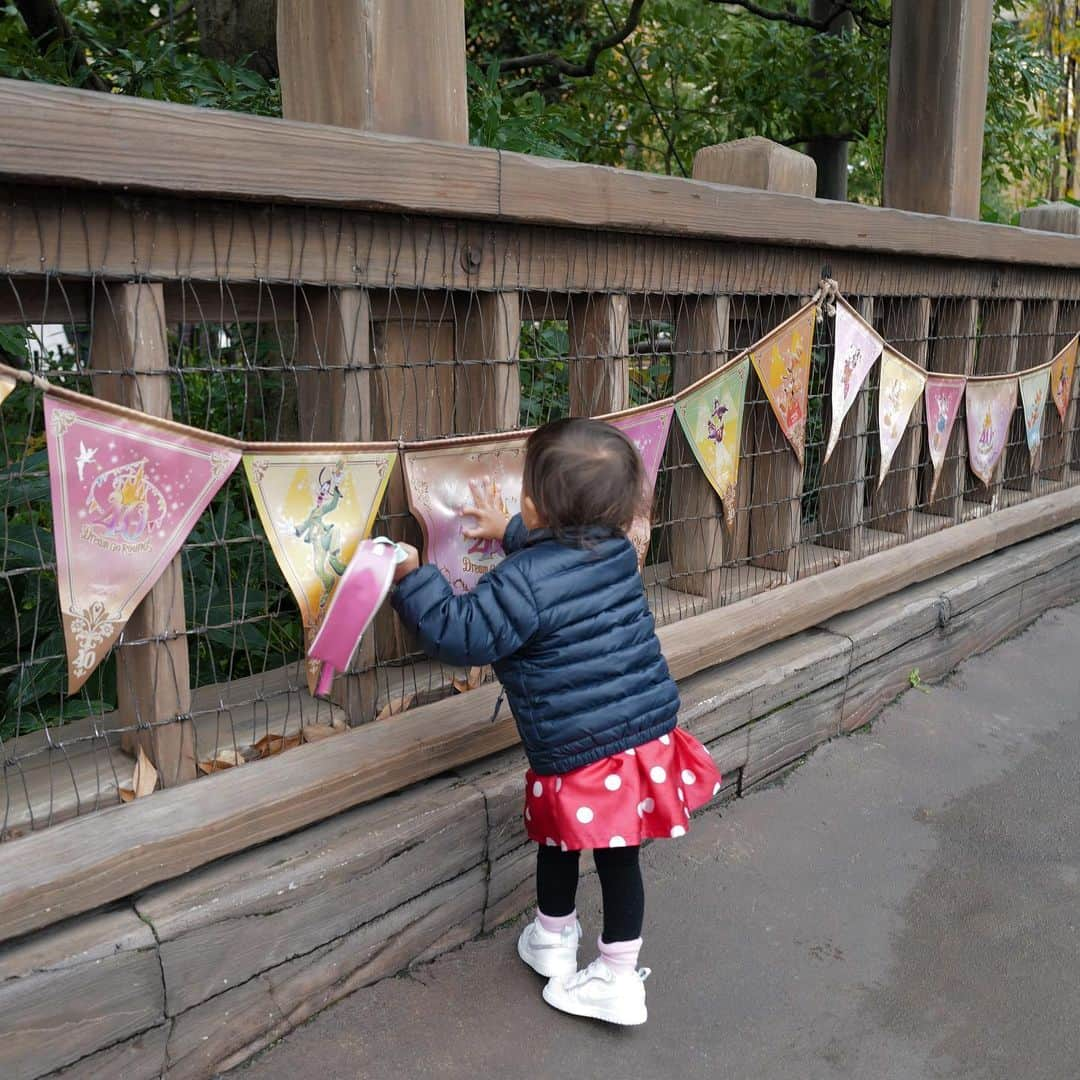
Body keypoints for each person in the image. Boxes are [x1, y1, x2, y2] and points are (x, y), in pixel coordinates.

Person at [390, 418, 721, 1026]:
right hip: (642, 735)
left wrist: (414, 581)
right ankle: (563, 944)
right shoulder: (616, 552)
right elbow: (562, 557)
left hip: (576, 747)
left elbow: (463, 632)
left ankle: (611, 981)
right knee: (613, 855)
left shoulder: (520, 582)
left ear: (537, 506)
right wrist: (510, 531)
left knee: (560, 838)